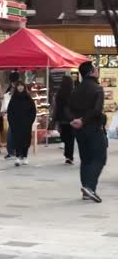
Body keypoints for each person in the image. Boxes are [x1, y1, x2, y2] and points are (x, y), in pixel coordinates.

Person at [69, 61, 107, 203]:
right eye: (95, 68)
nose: (97, 69)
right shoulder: (97, 88)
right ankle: (90, 187)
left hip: (79, 130)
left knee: (85, 159)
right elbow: (96, 110)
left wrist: (74, 120)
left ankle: (86, 191)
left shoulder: (76, 89)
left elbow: (68, 107)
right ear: (91, 72)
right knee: (99, 158)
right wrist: (84, 120)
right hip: (93, 128)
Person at [7, 81, 36, 166]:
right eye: (18, 86)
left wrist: (30, 121)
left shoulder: (28, 98)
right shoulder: (13, 99)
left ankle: (25, 156)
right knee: (17, 140)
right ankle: (18, 157)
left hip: (26, 124)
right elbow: (10, 112)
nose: (20, 87)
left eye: (21, 86)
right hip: (16, 124)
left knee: (25, 140)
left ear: (24, 87)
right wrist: (11, 122)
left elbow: (33, 111)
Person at [53, 75, 75, 165]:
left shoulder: (59, 93)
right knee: (71, 138)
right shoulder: (73, 93)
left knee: (65, 136)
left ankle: (67, 154)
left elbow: (56, 107)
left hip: (62, 119)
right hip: (71, 118)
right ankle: (69, 156)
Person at [2, 72, 19, 160]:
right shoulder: (10, 90)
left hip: (17, 114)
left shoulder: (15, 89)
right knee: (12, 133)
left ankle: (13, 151)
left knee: (12, 133)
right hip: (12, 114)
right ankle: (12, 151)